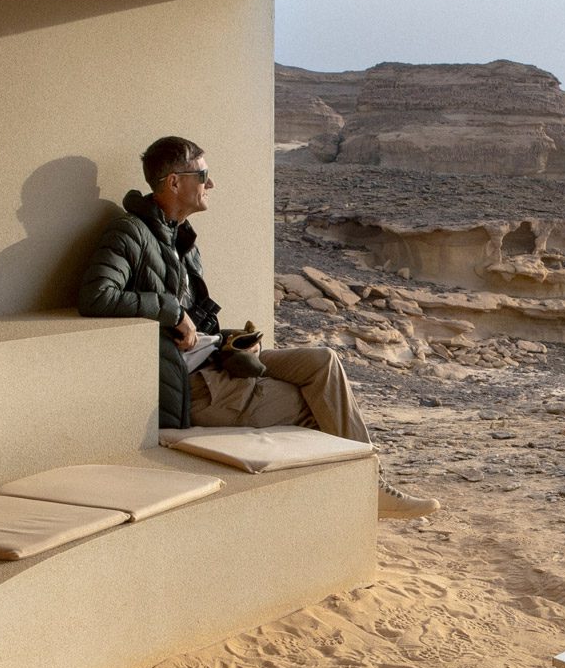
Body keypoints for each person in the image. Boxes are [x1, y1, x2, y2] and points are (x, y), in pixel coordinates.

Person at [78, 135, 439, 520]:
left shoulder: (180, 238)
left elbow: (194, 317)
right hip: (192, 386)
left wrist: (231, 339)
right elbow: (96, 295)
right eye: (204, 174)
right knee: (316, 406)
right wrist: (169, 310)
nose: (211, 184)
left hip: (214, 359)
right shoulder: (129, 233)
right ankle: (366, 492)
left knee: (324, 363)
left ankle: (369, 486)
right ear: (174, 183)